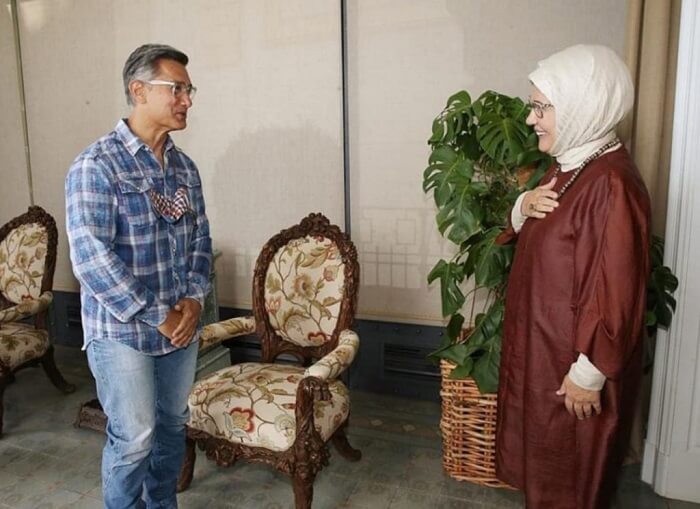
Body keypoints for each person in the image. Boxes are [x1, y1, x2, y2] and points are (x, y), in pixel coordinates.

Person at [495, 44, 651, 509]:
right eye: (533, 105)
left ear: (585, 105)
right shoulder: (571, 165)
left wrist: (590, 371)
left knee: (570, 485)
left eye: (542, 107)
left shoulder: (612, 184)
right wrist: (521, 208)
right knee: (548, 479)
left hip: (572, 373)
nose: (530, 119)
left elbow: (618, 288)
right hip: (546, 355)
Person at [65, 44, 212, 508]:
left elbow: (201, 240)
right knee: (134, 438)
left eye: (189, 90)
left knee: (172, 426)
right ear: (139, 90)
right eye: (178, 89)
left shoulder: (185, 169)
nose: (187, 99)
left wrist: (193, 299)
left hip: (180, 327)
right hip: (122, 330)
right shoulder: (97, 165)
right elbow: (91, 259)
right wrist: (158, 315)